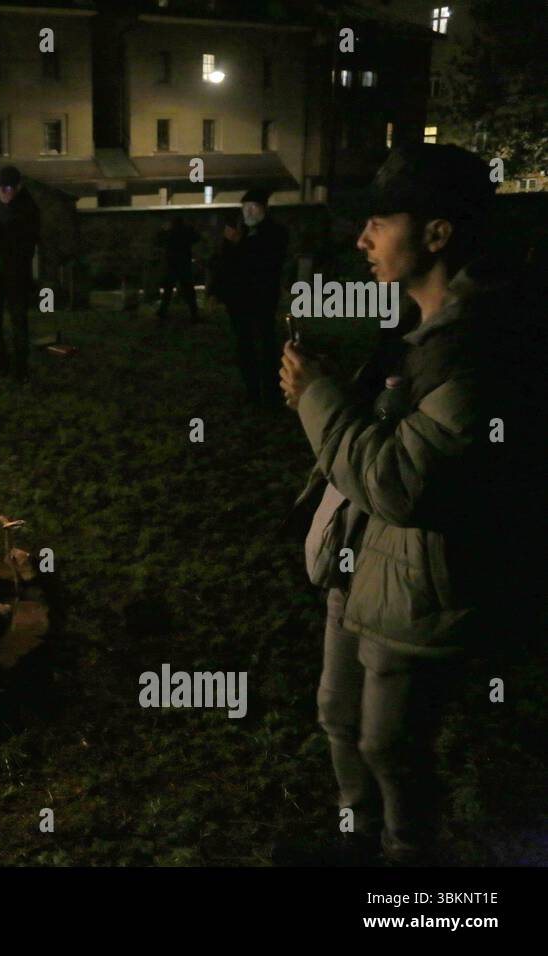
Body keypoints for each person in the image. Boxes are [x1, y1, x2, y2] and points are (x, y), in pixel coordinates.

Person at [276, 143, 543, 865]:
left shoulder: (482, 349)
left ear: (436, 234)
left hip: (420, 587)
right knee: (338, 716)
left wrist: (316, 397)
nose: (362, 240)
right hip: (360, 565)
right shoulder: (417, 331)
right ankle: (355, 836)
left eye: (379, 221)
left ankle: (407, 870)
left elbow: (402, 483)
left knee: (391, 746)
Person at [221, 188, 287, 405]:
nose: (248, 212)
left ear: (264, 209)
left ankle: (270, 390)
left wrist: (239, 244)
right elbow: (225, 262)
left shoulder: (275, 232)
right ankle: (251, 389)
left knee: (266, 343)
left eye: (253, 207)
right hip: (238, 299)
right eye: (245, 207)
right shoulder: (239, 230)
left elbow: (265, 262)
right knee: (244, 343)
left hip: (262, 297)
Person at [0, 165, 41, 381]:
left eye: (7, 188)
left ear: (18, 187)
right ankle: (1, 361)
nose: (3, 192)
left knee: (18, 320)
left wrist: (5, 236)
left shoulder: (28, 207)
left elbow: (29, 242)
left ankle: (20, 368)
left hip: (16, 271)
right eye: (0, 187)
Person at [155, 215, 200, 325]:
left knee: (168, 289)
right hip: (184, 263)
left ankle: (163, 311)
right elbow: (197, 238)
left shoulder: (170, 232)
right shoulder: (186, 231)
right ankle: (194, 312)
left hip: (172, 264)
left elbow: (159, 239)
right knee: (189, 289)